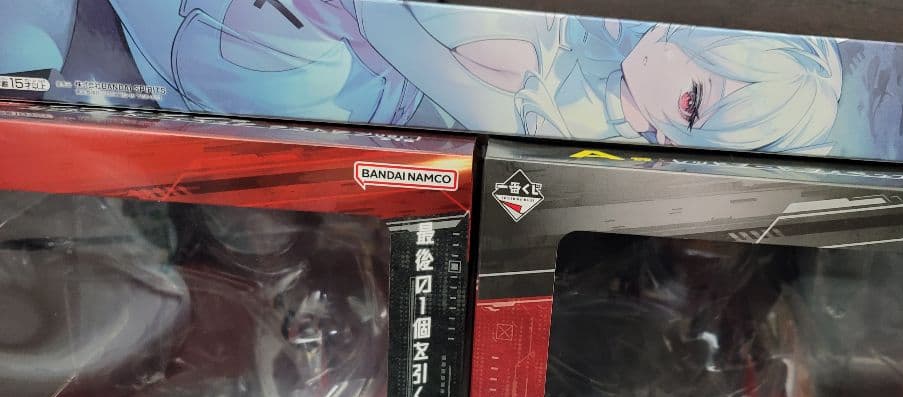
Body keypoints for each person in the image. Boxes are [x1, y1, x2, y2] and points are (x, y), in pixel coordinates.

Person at [5, 0, 844, 154]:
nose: (679, 57)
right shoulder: (594, 46)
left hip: (320, 82)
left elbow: (407, 46)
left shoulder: (565, 120)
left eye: (698, 97)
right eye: (705, 53)